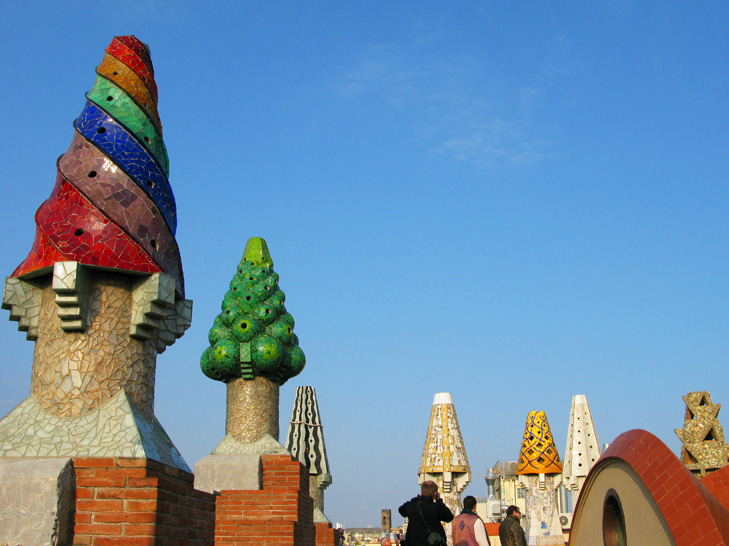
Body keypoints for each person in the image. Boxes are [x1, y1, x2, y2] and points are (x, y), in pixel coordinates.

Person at [398, 481, 454, 546]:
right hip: (432, 543)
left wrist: (417, 499)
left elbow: (401, 510)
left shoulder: (411, 506)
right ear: (435, 494)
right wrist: (439, 501)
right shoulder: (436, 508)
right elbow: (449, 517)